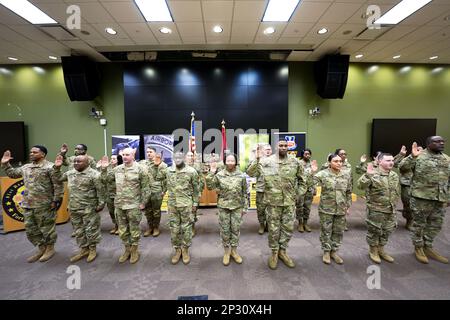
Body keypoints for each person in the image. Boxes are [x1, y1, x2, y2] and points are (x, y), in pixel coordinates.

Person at [247, 140, 307, 270]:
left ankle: (283, 251)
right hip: (272, 202)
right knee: (274, 229)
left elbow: (303, 181)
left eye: (285, 146)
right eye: (281, 145)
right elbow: (250, 173)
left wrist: (298, 194)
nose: (283, 147)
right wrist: (257, 158)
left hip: (289, 203)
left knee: (288, 228)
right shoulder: (267, 161)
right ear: (276, 147)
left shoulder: (295, 162)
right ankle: (274, 252)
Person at [1, 147, 64, 263]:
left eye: (35, 152)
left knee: (47, 229)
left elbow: (58, 185)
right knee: (31, 229)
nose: (31, 154)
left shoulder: (50, 167)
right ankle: (41, 248)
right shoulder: (26, 167)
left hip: (44, 204)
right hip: (28, 204)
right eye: (30, 152)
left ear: (43, 154)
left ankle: (50, 249)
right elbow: (13, 174)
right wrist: (6, 164)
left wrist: (56, 200)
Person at [400, 138, 450, 264]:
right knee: (419, 224)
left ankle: (428, 246)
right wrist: (412, 156)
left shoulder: (446, 158)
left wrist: (448, 196)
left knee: (435, 224)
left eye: (443, 141)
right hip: (421, 198)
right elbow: (402, 168)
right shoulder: (419, 157)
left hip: (440, 198)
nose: (442, 143)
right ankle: (418, 248)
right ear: (428, 144)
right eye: (438, 142)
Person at [101, 148, 150, 264]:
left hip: (134, 205)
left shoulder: (140, 170)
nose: (125, 157)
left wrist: (143, 202)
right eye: (123, 155)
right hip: (119, 205)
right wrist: (104, 169)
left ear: (133, 156)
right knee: (122, 230)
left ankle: (134, 251)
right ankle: (127, 249)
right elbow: (105, 180)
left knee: (134, 230)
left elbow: (146, 188)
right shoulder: (117, 169)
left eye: (127, 155)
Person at [54, 155, 105, 263]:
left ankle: (92, 250)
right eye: (75, 161)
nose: (76, 163)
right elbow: (58, 178)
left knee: (91, 230)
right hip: (74, 207)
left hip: (89, 208)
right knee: (78, 231)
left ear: (87, 163)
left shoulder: (95, 175)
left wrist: (101, 204)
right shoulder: (70, 173)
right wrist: (57, 168)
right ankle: (83, 249)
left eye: (79, 161)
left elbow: (100, 191)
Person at [206, 153, 248, 266]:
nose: (230, 162)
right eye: (228, 160)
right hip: (224, 207)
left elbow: (245, 192)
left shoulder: (241, 175)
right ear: (225, 162)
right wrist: (212, 171)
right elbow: (210, 186)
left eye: (232, 160)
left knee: (235, 229)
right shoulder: (219, 175)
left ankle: (234, 251)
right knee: (225, 230)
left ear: (236, 162)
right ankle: (226, 252)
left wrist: (245, 207)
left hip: (237, 207)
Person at [357, 153, 400, 264]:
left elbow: (395, 191)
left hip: (391, 209)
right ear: (379, 161)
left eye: (392, 160)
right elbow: (360, 186)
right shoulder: (372, 173)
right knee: (375, 231)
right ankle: (373, 251)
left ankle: (381, 250)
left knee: (387, 230)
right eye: (387, 160)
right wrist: (368, 175)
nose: (391, 162)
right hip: (376, 209)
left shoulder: (394, 175)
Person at [158, 152, 200, 265]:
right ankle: (177, 250)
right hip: (172, 205)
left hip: (186, 205)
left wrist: (195, 203)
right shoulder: (168, 171)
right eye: (175, 157)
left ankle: (185, 250)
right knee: (174, 229)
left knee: (186, 229)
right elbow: (161, 180)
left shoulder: (191, 171)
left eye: (180, 157)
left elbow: (196, 189)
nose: (177, 159)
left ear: (184, 159)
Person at [313, 153, 352, 265]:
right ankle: (326, 251)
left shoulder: (346, 175)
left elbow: (348, 191)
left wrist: (347, 205)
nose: (339, 163)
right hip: (326, 208)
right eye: (335, 161)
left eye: (340, 161)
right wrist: (312, 172)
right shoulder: (323, 174)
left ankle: (334, 251)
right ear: (329, 162)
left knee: (338, 231)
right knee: (326, 231)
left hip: (341, 208)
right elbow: (310, 183)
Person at [140, 147, 168, 237]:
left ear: (155, 153)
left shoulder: (162, 165)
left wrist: (164, 191)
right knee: (148, 211)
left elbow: (165, 179)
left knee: (156, 211)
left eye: (151, 152)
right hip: (145, 191)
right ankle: (150, 227)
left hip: (156, 191)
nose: (148, 153)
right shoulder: (142, 164)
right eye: (147, 152)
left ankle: (156, 227)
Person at [253, 143, 272, 235]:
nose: (268, 151)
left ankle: (268, 224)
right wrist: (256, 159)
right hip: (261, 189)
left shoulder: (275, 161)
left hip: (272, 190)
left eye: (269, 149)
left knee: (271, 209)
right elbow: (250, 172)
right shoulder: (258, 162)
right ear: (262, 151)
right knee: (260, 209)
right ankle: (261, 225)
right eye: (266, 149)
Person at [102, 154, 122, 235]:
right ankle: (116, 225)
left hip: (118, 193)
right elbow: (103, 180)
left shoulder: (120, 168)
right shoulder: (108, 168)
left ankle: (120, 226)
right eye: (111, 158)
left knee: (118, 212)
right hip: (109, 193)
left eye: (114, 158)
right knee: (111, 211)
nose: (111, 160)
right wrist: (104, 169)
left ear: (118, 160)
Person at [185, 151, 203, 236]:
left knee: (193, 210)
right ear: (185, 157)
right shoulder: (182, 166)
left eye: (192, 155)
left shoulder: (197, 167)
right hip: (184, 193)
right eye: (188, 155)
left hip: (194, 192)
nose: (190, 157)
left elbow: (201, 179)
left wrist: (200, 191)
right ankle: (185, 227)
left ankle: (192, 227)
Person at [296, 148, 314, 233]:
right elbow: (297, 176)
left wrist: (314, 188)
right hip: (301, 188)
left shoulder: (312, 163)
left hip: (310, 188)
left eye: (309, 154)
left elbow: (313, 177)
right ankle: (300, 223)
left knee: (307, 207)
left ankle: (305, 223)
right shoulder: (298, 163)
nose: (308, 155)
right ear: (302, 154)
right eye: (306, 154)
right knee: (300, 206)